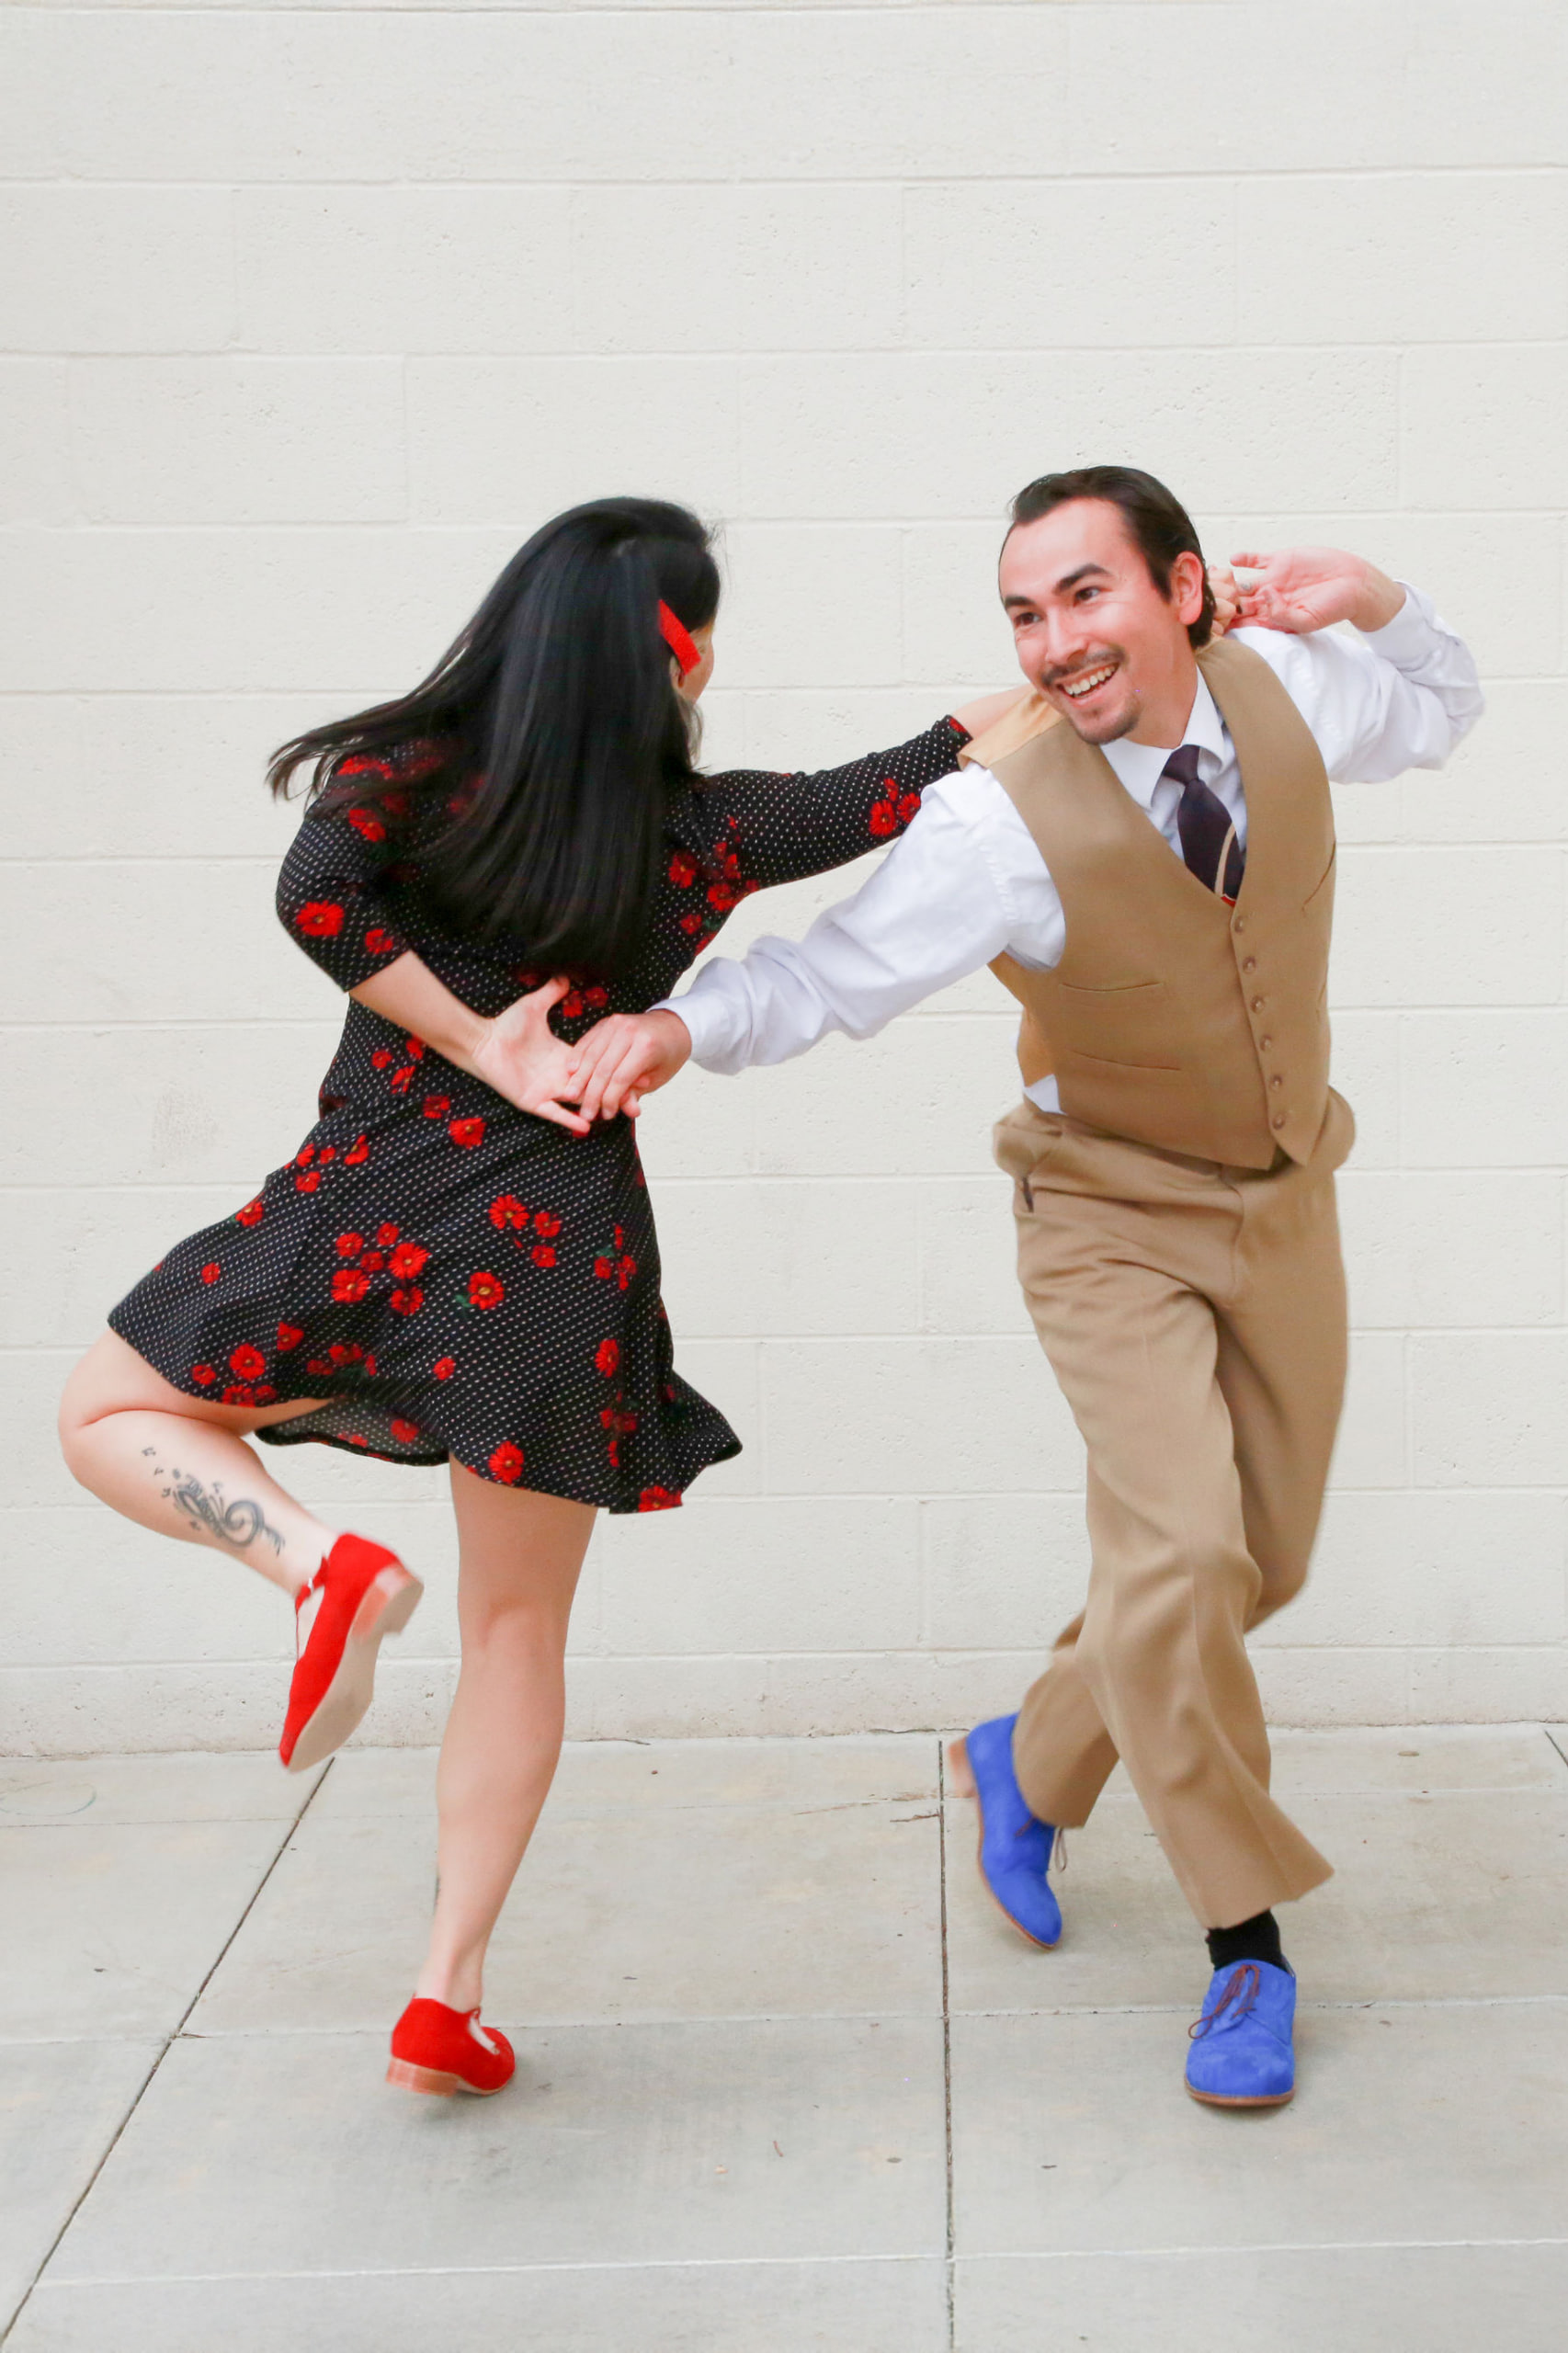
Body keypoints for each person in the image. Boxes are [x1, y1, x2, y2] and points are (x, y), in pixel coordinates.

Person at [553, 467, 1484, 2110]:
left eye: (1085, 594)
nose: (1053, 642)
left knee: (1254, 1562)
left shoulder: (1287, 691)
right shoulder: (998, 815)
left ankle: (1030, 1750)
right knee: (1181, 1557)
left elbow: (1440, 710)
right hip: (1105, 1212)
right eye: (1023, 614)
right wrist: (678, 1028)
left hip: (1285, 1196)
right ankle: (1244, 1944)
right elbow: (828, 972)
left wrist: (1376, 596)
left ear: (1183, 590)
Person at [57, 494, 1010, 2099]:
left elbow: (314, 895)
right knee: (514, 1629)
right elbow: (914, 771)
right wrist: (1107, 657)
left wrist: (466, 1036)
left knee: (105, 1409)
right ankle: (445, 1993)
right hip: (556, 1254)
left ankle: (313, 1564)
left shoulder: (405, 775)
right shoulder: (705, 831)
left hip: (369, 1207)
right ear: (679, 657)